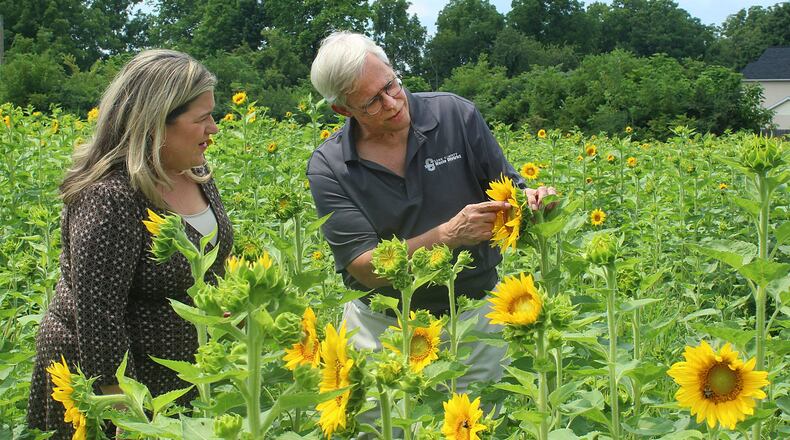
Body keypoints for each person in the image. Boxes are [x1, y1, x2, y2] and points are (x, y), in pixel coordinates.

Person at [306, 32, 555, 399]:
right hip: (383, 332)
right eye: (372, 101)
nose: (392, 102)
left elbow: (508, 186)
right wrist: (449, 234)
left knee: (479, 423)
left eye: (391, 85)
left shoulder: (455, 116)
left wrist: (533, 199)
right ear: (343, 110)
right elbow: (365, 266)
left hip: (472, 318)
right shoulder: (329, 167)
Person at [27, 49, 234, 438]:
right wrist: (127, 412)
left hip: (181, 378)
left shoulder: (196, 171)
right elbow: (98, 316)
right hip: (107, 389)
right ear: (157, 122)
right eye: (202, 118)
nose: (214, 128)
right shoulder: (110, 197)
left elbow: (212, 260)